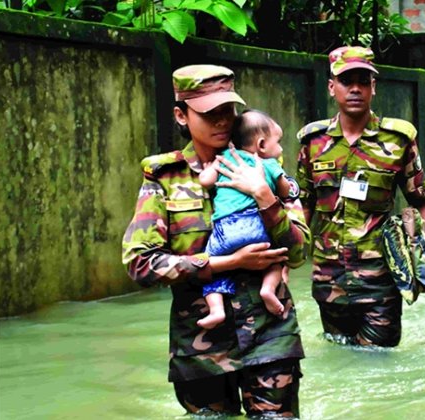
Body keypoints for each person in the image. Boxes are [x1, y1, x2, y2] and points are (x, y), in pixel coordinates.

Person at [122, 65, 310, 417]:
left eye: (228, 110)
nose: (222, 120)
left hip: (271, 335)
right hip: (200, 346)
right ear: (181, 115)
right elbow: (140, 262)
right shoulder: (164, 178)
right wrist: (225, 264)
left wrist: (266, 198)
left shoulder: (265, 163)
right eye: (209, 113)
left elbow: (300, 252)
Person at [296, 46, 425, 347]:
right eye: (346, 81)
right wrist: (288, 260)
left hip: (381, 278)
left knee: (379, 362)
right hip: (329, 278)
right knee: (340, 359)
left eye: (363, 81)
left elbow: (421, 198)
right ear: (331, 87)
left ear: (373, 87)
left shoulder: (398, 140)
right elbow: (303, 205)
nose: (355, 89)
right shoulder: (313, 142)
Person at [197, 109, 293, 329]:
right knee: (276, 258)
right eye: (278, 142)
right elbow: (286, 189)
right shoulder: (268, 163)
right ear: (261, 145)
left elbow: (204, 181)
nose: (279, 148)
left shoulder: (225, 158)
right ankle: (268, 290)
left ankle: (216, 309)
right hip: (255, 224)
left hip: (224, 229)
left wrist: (209, 168)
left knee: (210, 267)